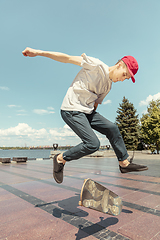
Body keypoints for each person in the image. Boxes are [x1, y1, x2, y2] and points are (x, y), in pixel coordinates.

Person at [22, 47, 148, 184]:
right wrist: (38, 53)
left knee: (112, 128)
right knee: (93, 144)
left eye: (127, 78)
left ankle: (124, 164)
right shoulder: (96, 65)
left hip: (87, 112)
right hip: (71, 109)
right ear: (119, 65)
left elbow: (95, 103)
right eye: (124, 74)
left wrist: (94, 122)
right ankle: (60, 158)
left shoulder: (108, 86)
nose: (123, 79)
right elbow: (66, 58)